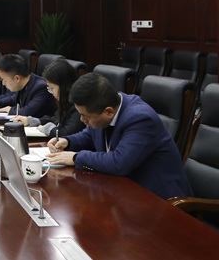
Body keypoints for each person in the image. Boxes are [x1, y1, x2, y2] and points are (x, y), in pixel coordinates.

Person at [46, 72, 192, 200]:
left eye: (86, 116)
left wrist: (76, 157)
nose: (82, 120)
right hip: (125, 192)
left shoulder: (140, 118)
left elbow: (119, 163)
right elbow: (90, 135)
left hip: (160, 201)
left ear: (108, 112)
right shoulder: (106, 108)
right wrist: (68, 141)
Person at [11, 58, 83, 137]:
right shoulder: (64, 102)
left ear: (64, 86)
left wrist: (47, 129)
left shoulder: (78, 105)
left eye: (52, 88)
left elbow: (65, 133)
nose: (51, 92)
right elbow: (55, 120)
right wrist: (30, 121)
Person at [0, 54, 57, 119]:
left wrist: (10, 110)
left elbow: (27, 112)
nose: (3, 83)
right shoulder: (25, 83)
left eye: (4, 80)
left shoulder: (42, 88)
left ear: (17, 78)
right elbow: (12, 99)